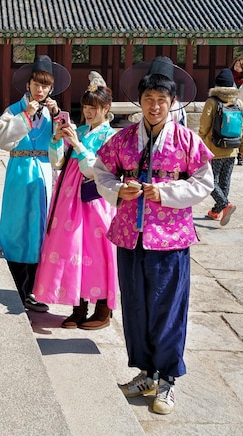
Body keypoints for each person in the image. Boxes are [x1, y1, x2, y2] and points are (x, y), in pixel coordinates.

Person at [93, 56, 214, 415]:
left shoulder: (186, 140)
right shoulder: (124, 139)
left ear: (172, 103)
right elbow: (101, 173)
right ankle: (146, 373)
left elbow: (203, 183)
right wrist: (118, 189)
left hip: (171, 239)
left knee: (168, 310)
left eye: (162, 100)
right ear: (140, 101)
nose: (155, 106)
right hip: (131, 236)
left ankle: (168, 381)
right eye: (149, 99)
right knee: (135, 307)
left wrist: (167, 193)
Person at [32, 71, 118, 329]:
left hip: (94, 200)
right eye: (85, 107)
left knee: (96, 250)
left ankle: (103, 307)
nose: (89, 112)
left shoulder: (111, 137)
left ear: (106, 108)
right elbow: (57, 161)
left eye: (94, 107)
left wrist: (79, 146)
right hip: (69, 199)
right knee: (72, 250)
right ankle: (78, 305)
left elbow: (95, 171)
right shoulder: (78, 129)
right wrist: (58, 139)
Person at [0, 54, 70, 313]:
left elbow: (59, 153)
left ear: (51, 89)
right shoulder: (14, 110)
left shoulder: (54, 114)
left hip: (43, 175)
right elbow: (3, 140)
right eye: (36, 84)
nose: (40, 89)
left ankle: (34, 290)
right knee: (17, 230)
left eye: (45, 86)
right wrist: (25, 116)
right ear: (28, 85)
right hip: (19, 172)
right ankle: (16, 288)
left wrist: (58, 125)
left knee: (40, 232)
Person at [200, 68, 242, 225]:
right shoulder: (238, 103)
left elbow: (204, 127)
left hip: (214, 148)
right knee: (225, 181)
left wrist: (200, 146)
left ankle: (224, 205)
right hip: (232, 148)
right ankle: (217, 211)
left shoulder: (212, 101)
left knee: (209, 180)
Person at [230, 57, 243, 165]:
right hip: (231, 108)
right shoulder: (229, 76)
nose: (237, 66)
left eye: (239, 65)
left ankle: (240, 155)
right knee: (233, 131)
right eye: (236, 64)